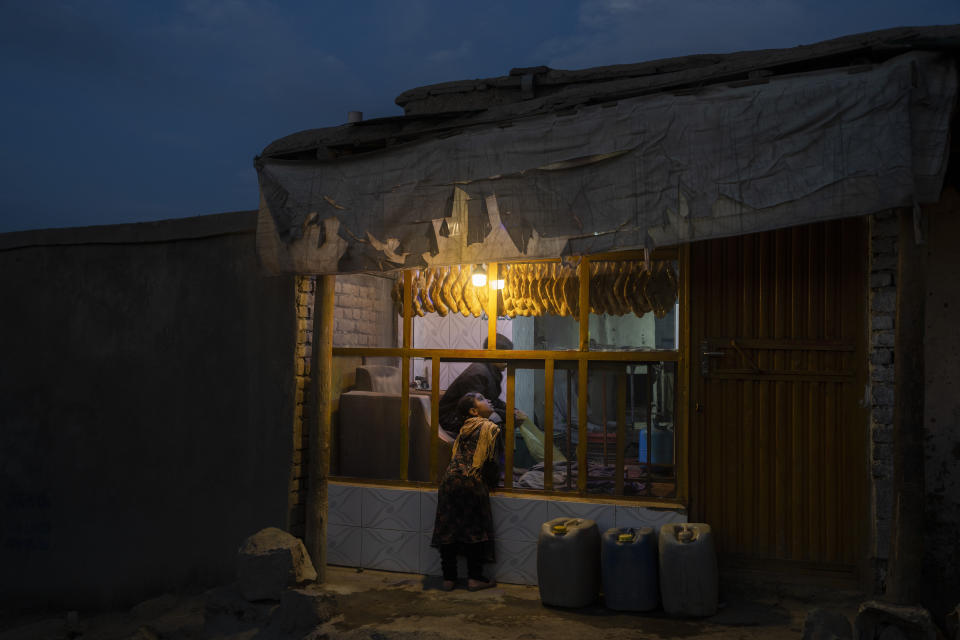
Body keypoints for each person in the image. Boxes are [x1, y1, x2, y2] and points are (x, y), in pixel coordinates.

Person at [430, 392, 500, 591]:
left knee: (448, 530)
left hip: (449, 480)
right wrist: (493, 482)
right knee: (474, 531)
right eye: (482, 398)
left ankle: (448, 579)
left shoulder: (464, 429)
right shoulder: (490, 427)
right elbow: (491, 462)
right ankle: (474, 578)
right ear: (474, 410)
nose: (489, 400)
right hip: (471, 481)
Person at [438, 333, 526, 440]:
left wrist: (512, 410)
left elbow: (492, 401)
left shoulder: (490, 371)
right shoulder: (478, 373)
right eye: (505, 356)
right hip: (450, 420)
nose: (508, 361)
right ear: (494, 354)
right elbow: (479, 409)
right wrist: (510, 416)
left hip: (460, 417)